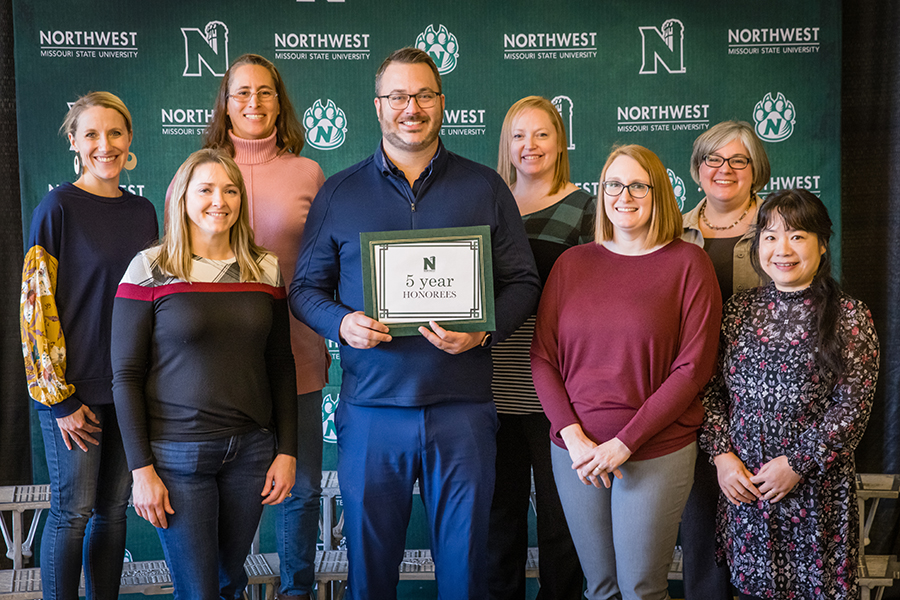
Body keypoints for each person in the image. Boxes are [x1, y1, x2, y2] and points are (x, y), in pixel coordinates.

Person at [290, 48, 540, 600]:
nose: (412, 107)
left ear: (441, 103)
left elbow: (524, 282)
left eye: (424, 95)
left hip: (464, 411)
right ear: (379, 107)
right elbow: (304, 290)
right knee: (370, 574)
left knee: (465, 574)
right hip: (373, 411)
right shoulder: (340, 192)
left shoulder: (484, 188)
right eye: (399, 96)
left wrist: (484, 331)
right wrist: (342, 322)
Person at [531, 144, 721, 600]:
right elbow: (543, 358)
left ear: (659, 193)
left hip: (655, 449)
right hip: (576, 454)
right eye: (614, 184)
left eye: (639, 185)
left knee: (641, 588)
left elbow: (693, 369)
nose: (624, 195)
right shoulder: (571, 264)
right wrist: (572, 436)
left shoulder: (688, 264)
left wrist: (624, 443)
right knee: (599, 588)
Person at [111, 149, 298, 600]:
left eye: (230, 190)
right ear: (182, 198)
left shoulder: (264, 268)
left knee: (230, 582)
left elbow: (280, 364)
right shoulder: (150, 269)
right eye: (207, 189)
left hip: (251, 454)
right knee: (200, 592)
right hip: (177, 459)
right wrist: (141, 470)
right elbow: (126, 374)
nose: (220, 200)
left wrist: (287, 450)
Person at [701, 189, 879, 600]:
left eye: (797, 236)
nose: (782, 249)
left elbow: (852, 407)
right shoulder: (736, 311)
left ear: (821, 244)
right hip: (746, 495)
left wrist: (797, 463)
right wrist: (722, 456)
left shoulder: (850, 315)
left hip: (817, 500)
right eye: (770, 235)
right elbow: (708, 391)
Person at [20, 92, 157, 600]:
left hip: (126, 389)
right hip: (71, 393)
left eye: (115, 133)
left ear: (129, 140)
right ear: (75, 143)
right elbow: (36, 307)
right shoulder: (58, 207)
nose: (106, 145)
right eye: (93, 134)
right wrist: (58, 398)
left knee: (113, 510)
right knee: (73, 511)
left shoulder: (144, 213)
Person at [201, 53, 328, 600]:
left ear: (280, 102)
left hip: (297, 355)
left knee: (299, 491)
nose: (254, 102)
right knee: (231, 492)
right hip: (220, 372)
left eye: (265, 92)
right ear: (225, 104)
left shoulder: (307, 173)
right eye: (242, 92)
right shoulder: (201, 172)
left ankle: (298, 591)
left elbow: (326, 264)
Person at [489, 95, 590, 600]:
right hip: (489, 387)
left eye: (542, 134)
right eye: (519, 135)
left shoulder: (588, 208)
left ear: (561, 141)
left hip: (561, 393)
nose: (530, 146)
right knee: (497, 523)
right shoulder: (486, 201)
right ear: (506, 144)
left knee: (561, 524)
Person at [680, 120, 771, 599]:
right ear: (697, 169)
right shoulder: (672, 229)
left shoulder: (780, 231)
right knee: (699, 534)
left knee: (766, 536)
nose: (725, 169)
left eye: (739, 160)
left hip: (765, 408)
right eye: (713, 159)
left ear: (756, 171)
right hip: (692, 401)